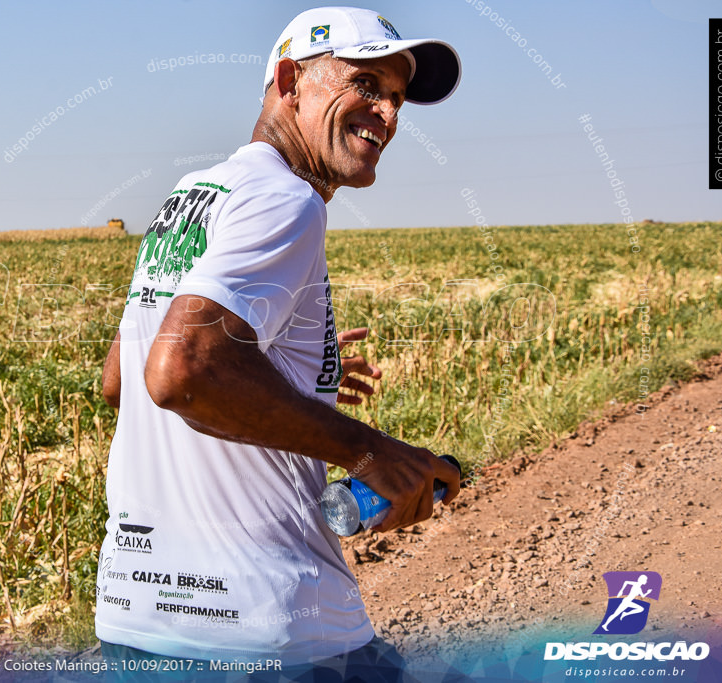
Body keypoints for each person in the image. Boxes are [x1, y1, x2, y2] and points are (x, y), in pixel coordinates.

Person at [95, 7, 463, 681]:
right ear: (290, 81)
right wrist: (368, 450)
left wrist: (283, 381)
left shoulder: (192, 194)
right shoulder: (287, 199)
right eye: (366, 86)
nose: (387, 115)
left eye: (398, 99)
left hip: (137, 615)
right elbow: (183, 369)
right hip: (271, 623)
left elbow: (122, 377)